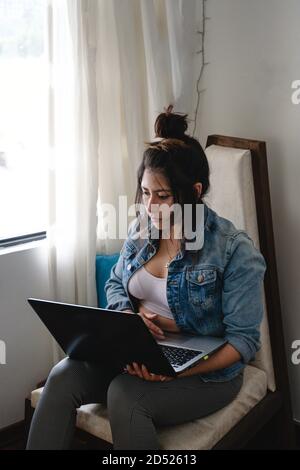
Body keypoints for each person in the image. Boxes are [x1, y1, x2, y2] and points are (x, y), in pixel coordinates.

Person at [26, 106, 266, 450]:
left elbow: (243, 342)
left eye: (163, 196)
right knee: (64, 374)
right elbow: (115, 283)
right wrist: (129, 317)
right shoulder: (143, 229)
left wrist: (177, 371)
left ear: (195, 192)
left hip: (206, 373)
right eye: (145, 193)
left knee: (126, 395)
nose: (150, 206)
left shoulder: (233, 250)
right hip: (139, 351)